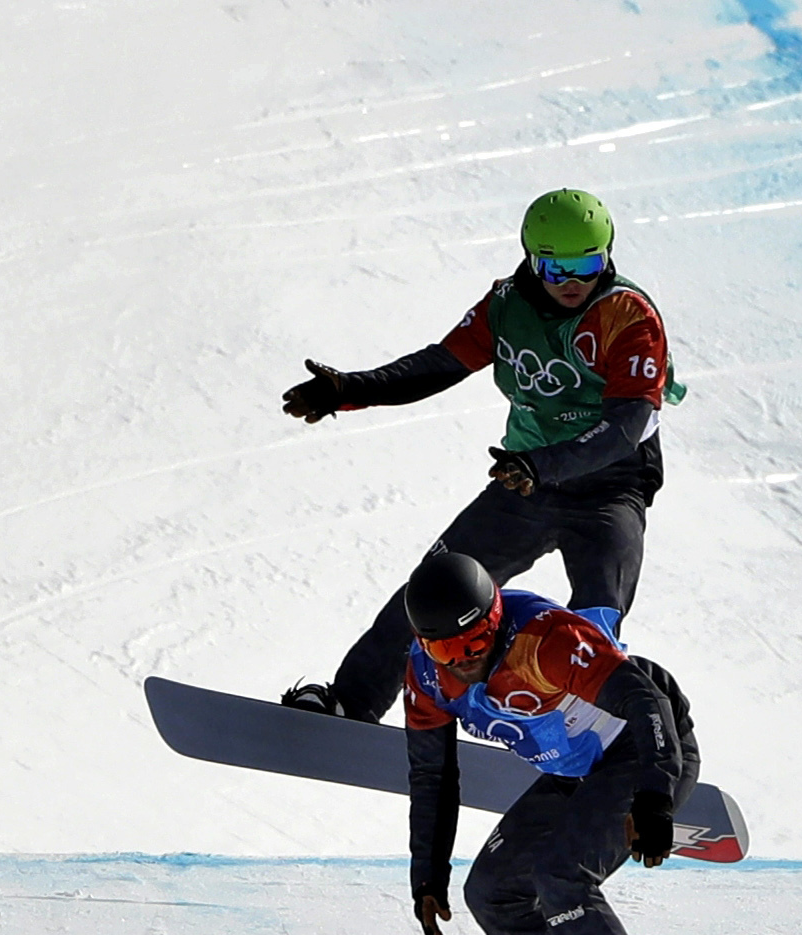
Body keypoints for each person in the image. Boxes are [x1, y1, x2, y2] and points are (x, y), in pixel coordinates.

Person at [280, 188, 679, 724]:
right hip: (527, 483)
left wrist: (544, 464)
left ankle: (584, 732)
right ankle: (349, 702)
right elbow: (440, 364)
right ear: (530, 259)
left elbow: (625, 427)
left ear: (607, 255)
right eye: (555, 269)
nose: (573, 282)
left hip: (610, 488)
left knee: (593, 622)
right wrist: (350, 389)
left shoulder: (628, 316)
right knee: (435, 590)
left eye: (587, 265)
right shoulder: (507, 305)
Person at [400, 545, 715, 935]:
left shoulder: (544, 640)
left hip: (642, 752)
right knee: (492, 891)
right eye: (447, 651)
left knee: (562, 877)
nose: (464, 662)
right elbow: (431, 774)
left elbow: (646, 702)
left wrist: (654, 795)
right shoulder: (425, 675)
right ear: (425, 643)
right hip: (576, 770)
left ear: (496, 620)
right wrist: (427, 875)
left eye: (476, 642)